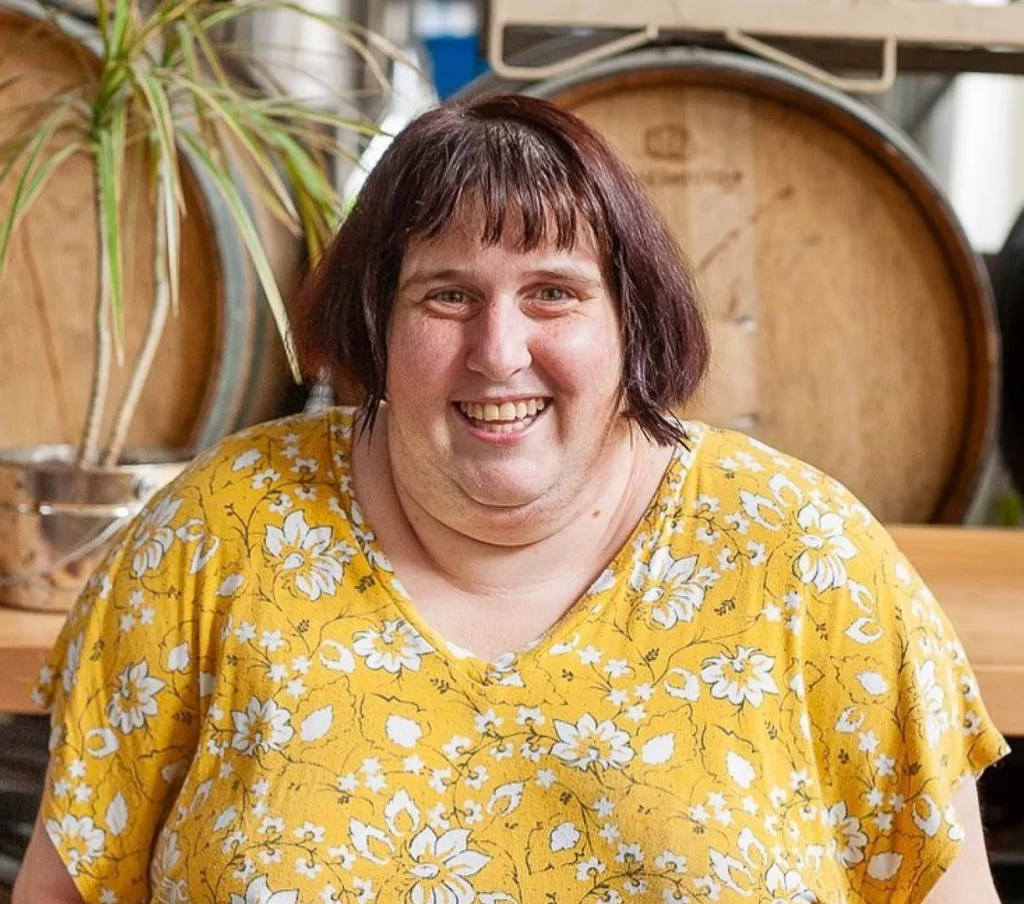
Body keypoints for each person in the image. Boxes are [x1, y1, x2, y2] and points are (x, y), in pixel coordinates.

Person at [14, 94, 1008, 904]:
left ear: (632, 320)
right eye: (447, 295)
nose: (498, 352)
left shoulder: (807, 559)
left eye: (553, 293)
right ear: (376, 324)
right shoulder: (214, 536)